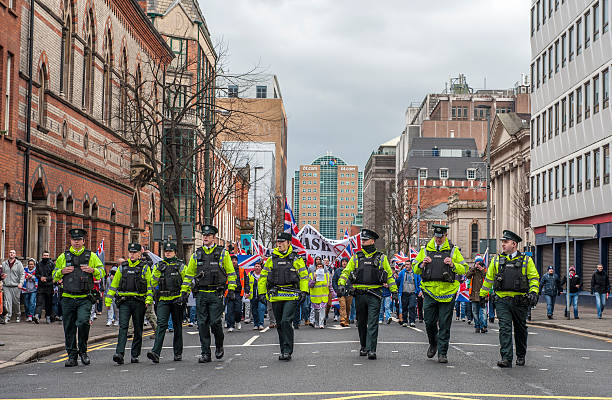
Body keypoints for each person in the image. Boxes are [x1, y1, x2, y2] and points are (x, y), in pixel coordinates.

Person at [479, 230, 540, 368]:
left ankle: (521, 355)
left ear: (514, 244)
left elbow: (534, 278)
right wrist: (482, 295)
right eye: (502, 242)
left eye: (505, 242)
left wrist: (534, 292)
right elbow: (488, 279)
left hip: (520, 301)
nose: (503, 245)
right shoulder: (496, 260)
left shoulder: (526, 260)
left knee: (520, 329)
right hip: (502, 300)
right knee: (504, 328)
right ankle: (506, 358)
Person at [337, 229, 398, 360]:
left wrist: (394, 291)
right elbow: (346, 272)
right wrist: (341, 284)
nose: (363, 242)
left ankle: (372, 349)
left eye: (365, 240)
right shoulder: (356, 257)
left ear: (372, 241)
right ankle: (364, 346)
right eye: (362, 240)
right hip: (359, 295)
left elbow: (389, 275)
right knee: (361, 322)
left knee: (373, 322)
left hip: (375, 295)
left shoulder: (381, 257)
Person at [413, 224, 468, 364]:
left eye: (441, 237)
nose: (438, 239)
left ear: (445, 236)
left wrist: (453, 265)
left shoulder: (453, 250)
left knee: (444, 324)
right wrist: (422, 264)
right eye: (436, 236)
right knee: (429, 321)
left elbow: (464, 269)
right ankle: (433, 343)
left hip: (448, 293)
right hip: (430, 291)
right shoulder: (425, 250)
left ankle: (443, 353)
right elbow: (415, 268)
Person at [183, 224, 237, 363]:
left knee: (215, 322)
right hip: (201, 293)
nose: (205, 237)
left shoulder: (222, 253)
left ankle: (219, 345)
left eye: (208, 236)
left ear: (214, 237)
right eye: (204, 235)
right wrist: (184, 291)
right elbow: (189, 275)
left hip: (216, 293)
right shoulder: (197, 254)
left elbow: (231, 273)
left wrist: (231, 289)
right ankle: (205, 352)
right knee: (202, 324)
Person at [53, 228, 105, 367]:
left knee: (83, 323)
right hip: (67, 297)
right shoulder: (63, 257)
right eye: (74, 240)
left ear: (83, 241)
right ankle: (72, 356)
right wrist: (61, 271)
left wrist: (94, 270)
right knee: (69, 327)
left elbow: (102, 271)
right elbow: (54, 274)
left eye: (79, 240)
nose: (76, 242)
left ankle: (83, 351)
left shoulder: (91, 256)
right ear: (71, 241)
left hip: (84, 298)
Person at [258, 232, 309, 361]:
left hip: (291, 295)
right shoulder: (271, 259)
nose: (279, 244)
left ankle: (287, 350)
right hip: (276, 296)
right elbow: (263, 278)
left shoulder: (296, 259)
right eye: (278, 242)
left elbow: (304, 276)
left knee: (286, 321)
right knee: (280, 324)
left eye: (282, 242)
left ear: (289, 243)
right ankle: (283, 350)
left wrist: (304, 291)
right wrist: (261, 293)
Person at [105, 243, 152, 364]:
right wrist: (108, 300)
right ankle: (119, 353)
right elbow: (114, 285)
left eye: (134, 252)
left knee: (138, 329)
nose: (132, 255)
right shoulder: (122, 267)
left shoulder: (145, 267)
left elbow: (150, 286)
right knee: (123, 327)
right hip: (124, 301)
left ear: (139, 254)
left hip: (139, 302)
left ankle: (135, 355)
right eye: (130, 252)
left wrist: (148, 300)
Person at [147, 242, 187, 364]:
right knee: (161, 325)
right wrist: (149, 297)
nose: (168, 253)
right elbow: (152, 282)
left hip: (176, 299)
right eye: (166, 251)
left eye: (170, 251)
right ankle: (155, 352)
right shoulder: (159, 265)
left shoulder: (180, 266)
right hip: (163, 299)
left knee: (177, 326)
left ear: (175, 252)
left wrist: (184, 295)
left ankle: (178, 353)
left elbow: (188, 280)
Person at [309, 259, 336, 328]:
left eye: (321, 266)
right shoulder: (312, 275)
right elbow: (310, 285)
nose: (320, 268)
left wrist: (332, 293)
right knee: (316, 311)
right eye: (318, 266)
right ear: (316, 267)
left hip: (323, 296)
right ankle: (317, 323)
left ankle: (321, 323)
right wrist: (314, 279)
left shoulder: (327, 275)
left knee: (322, 310)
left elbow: (329, 285)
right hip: (315, 297)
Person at [2, 249, 25, 323]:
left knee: (16, 302)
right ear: (8, 254)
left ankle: (18, 315)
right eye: (10, 252)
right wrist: (2, 280)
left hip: (16, 286)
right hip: (6, 285)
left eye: (13, 253)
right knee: (7, 302)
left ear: (15, 255)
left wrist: (21, 283)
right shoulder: (4, 263)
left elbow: (22, 274)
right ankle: (8, 316)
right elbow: (1, 274)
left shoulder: (19, 264)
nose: (11, 254)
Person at [466, 256, 488, 333]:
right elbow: (467, 276)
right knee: (475, 312)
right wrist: (474, 268)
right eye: (476, 263)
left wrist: (482, 270)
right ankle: (477, 326)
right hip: (473, 295)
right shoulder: (473, 270)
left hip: (483, 295)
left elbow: (487, 278)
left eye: (479, 263)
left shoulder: (485, 271)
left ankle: (483, 326)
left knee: (483, 312)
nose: (478, 265)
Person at [397, 262, 420, 327]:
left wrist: (420, 290)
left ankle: (412, 321)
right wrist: (397, 278)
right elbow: (398, 282)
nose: (406, 266)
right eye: (405, 265)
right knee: (404, 307)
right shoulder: (402, 272)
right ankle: (405, 321)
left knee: (412, 306)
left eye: (407, 264)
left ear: (411, 265)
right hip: (404, 293)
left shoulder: (415, 272)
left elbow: (419, 282)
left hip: (412, 293)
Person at [34, 251, 55, 323]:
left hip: (49, 286)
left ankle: (48, 316)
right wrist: (40, 278)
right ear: (42, 256)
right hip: (41, 286)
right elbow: (36, 273)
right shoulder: (39, 264)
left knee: (48, 302)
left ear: (49, 256)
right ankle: (37, 315)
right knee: (39, 301)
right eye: (44, 255)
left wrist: (46, 278)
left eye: (47, 255)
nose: (45, 256)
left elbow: (54, 274)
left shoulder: (52, 264)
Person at [225, 255, 244, 332]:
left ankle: (238, 321)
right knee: (230, 310)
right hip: (229, 292)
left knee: (238, 310)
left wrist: (247, 290)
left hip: (238, 293)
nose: (234, 261)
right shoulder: (226, 270)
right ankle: (231, 325)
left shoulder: (241, 270)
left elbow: (245, 281)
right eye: (232, 260)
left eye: (235, 260)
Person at [333, 257, 353, 327]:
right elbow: (334, 281)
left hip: (349, 292)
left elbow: (354, 281)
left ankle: (347, 320)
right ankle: (342, 320)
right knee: (342, 305)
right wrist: (336, 290)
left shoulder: (351, 270)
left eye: (345, 261)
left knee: (348, 307)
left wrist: (352, 289)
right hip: (340, 291)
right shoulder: (337, 271)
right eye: (343, 261)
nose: (344, 263)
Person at [248, 261, 266, 330]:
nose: (257, 268)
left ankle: (261, 324)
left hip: (262, 295)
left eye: (258, 266)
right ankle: (256, 324)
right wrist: (247, 292)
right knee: (254, 311)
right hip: (253, 296)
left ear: (261, 268)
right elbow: (247, 284)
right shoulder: (250, 274)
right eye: (256, 266)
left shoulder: (264, 275)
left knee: (261, 309)